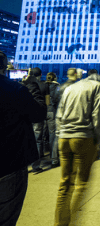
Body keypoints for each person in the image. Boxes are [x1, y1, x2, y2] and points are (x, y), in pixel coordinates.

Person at [0, 53, 47, 226]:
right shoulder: (15, 90)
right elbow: (39, 113)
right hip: (9, 165)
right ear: (5, 67)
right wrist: (33, 87)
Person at [54, 72, 100, 226]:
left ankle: (59, 223)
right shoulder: (97, 86)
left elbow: (59, 114)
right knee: (81, 184)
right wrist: (98, 139)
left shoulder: (70, 88)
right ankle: (73, 222)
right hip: (83, 136)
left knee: (65, 183)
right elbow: (97, 115)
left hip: (64, 137)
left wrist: (60, 134)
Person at [31, 67, 50, 173]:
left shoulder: (25, 83)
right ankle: (36, 166)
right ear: (41, 74)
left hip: (27, 115)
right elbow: (47, 102)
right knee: (38, 140)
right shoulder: (44, 84)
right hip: (38, 115)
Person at [46, 72, 61, 168]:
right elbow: (57, 100)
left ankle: (44, 155)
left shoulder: (43, 85)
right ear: (55, 78)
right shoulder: (57, 87)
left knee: (43, 134)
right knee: (54, 134)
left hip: (44, 111)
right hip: (53, 111)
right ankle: (54, 158)